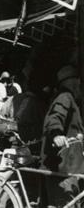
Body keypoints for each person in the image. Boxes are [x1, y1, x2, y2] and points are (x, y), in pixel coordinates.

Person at [41, 65, 84, 207]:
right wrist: (56, 135)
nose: (80, 85)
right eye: (78, 82)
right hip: (64, 164)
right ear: (72, 81)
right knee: (64, 202)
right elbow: (55, 118)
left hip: (70, 162)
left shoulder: (70, 99)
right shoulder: (65, 97)